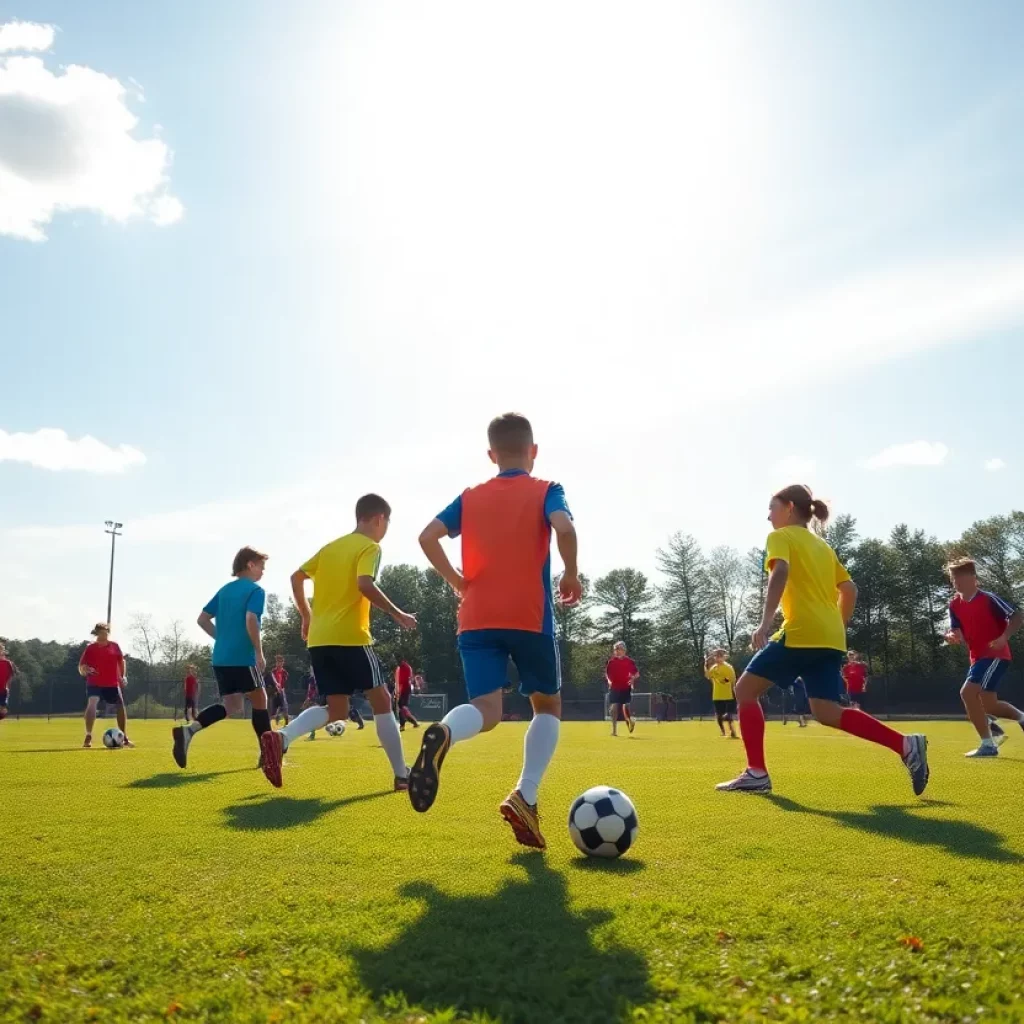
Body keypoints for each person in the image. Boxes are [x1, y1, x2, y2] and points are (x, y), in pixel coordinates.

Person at [411, 412, 582, 850]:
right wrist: (570, 573)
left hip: (477, 616)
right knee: (547, 705)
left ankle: (446, 732)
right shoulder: (547, 489)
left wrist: (457, 581)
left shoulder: (469, 497)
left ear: (491, 455)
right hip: (529, 617)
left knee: (485, 709)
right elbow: (564, 526)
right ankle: (525, 794)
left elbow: (427, 536)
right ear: (534, 450)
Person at [716, 484, 928, 795]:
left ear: (789, 508)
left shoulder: (780, 537)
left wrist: (764, 622)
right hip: (830, 638)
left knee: (745, 690)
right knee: (827, 712)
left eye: (772, 508)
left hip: (801, 631)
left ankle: (756, 773)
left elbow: (780, 572)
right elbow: (850, 589)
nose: (768, 516)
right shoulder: (823, 547)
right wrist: (836, 626)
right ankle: (906, 745)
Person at [258, 494, 417, 790]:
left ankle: (282, 737)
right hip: (351, 637)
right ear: (379, 518)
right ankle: (401, 775)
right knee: (382, 700)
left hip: (320, 641)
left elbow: (296, 577)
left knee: (337, 710)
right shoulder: (371, 547)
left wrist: (307, 616)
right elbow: (364, 584)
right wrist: (397, 614)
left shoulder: (330, 548)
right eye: (387, 523)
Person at [171, 547, 272, 769]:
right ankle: (268, 755)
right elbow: (251, 619)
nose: (263, 572)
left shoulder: (225, 590)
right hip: (243, 657)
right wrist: (258, 651)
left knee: (232, 705)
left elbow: (202, 619)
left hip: (221, 657)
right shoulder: (256, 590)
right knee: (260, 700)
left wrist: (223, 638)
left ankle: (189, 730)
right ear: (250, 565)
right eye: (261, 567)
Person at [945, 558, 1024, 758]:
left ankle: (988, 744)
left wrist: (1003, 637)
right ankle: (1020, 719)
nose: (956, 582)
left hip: (996, 655)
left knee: (968, 693)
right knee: (990, 705)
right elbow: (957, 632)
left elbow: (1017, 616)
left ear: (973, 578)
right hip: (978, 658)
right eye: (953, 578)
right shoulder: (954, 604)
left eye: (959, 577)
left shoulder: (988, 599)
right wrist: (952, 636)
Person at [79, 623, 132, 748]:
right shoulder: (90, 648)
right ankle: (88, 735)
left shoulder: (114, 646)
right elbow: (81, 667)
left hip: (112, 683)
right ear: (97, 633)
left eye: (106, 632)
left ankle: (124, 737)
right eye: (102, 632)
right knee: (92, 703)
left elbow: (121, 662)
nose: (105, 635)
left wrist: (122, 676)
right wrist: (84, 670)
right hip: (94, 682)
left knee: (120, 706)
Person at [606, 641, 639, 736]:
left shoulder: (629, 662)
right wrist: (609, 681)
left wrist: (633, 678)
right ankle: (614, 731)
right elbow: (607, 675)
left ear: (624, 650)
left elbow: (637, 674)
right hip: (615, 688)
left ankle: (631, 721)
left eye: (619, 649)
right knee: (613, 708)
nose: (617, 651)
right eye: (615, 649)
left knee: (626, 707)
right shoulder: (611, 662)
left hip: (626, 687)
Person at [704, 649, 738, 738]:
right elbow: (708, 675)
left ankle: (732, 731)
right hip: (717, 695)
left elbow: (732, 679)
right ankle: (723, 732)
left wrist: (724, 681)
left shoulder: (728, 667)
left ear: (724, 657)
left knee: (728, 715)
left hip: (728, 694)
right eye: (716, 656)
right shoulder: (714, 667)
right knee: (719, 715)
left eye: (720, 656)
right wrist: (706, 665)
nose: (717, 657)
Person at [395, 658, 420, 731]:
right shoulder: (408, 667)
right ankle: (412, 722)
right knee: (403, 707)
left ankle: (404, 725)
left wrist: (397, 691)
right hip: (406, 688)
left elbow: (400, 680)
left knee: (401, 707)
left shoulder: (402, 668)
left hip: (404, 688)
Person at [269, 655, 290, 725]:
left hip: (281, 691)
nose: (279, 663)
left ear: (283, 663)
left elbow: (284, 683)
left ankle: (286, 723)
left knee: (285, 708)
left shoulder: (285, 673)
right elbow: (270, 682)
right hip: (274, 692)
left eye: (280, 662)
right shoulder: (273, 672)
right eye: (277, 662)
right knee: (272, 709)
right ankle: (268, 724)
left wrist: (280, 689)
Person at [0, 642, 17, 721]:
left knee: (3, 710)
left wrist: (7, 686)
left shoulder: (7, 663)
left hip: (3, 690)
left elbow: (11, 675)